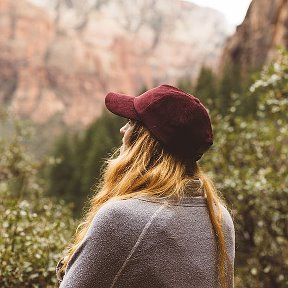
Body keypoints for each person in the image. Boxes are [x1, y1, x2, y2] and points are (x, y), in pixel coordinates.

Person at [56, 84, 235, 288]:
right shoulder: (220, 218)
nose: (122, 129)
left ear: (144, 141)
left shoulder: (121, 218)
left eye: (131, 122)